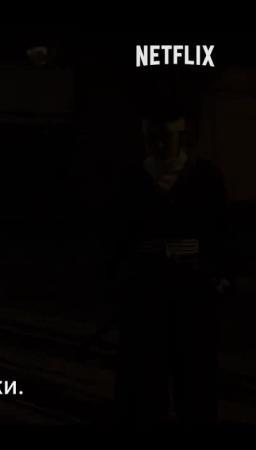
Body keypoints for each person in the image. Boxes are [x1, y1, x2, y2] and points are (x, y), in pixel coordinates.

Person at [108, 110, 230, 425]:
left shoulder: (205, 177)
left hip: (193, 292)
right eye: (152, 139)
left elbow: (221, 232)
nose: (159, 145)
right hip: (146, 293)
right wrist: (119, 282)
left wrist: (219, 277)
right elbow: (116, 236)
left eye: (166, 137)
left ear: (181, 136)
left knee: (195, 378)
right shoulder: (132, 178)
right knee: (147, 382)